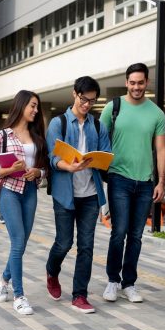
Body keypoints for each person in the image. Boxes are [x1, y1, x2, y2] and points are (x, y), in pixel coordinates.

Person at [100, 63, 165, 303]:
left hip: (145, 183)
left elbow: (161, 149)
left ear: (146, 82)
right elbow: (99, 138)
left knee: (136, 235)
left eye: (141, 82)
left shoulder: (156, 113)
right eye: (132, 82)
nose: (136, 87)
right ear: (126, 82)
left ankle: (129, 283)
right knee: (118, 232)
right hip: (119, 178)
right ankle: (112, 280)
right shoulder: (113, 107)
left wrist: (161, 181)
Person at [45, 76, 111, 313]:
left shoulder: (97, 125)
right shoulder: (58, 123)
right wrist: (68, 166)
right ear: (75, 94)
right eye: (84, 99)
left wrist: (100, 160)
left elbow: (107, 154)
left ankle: (79, 295)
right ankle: (52, 271)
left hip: (90, 195)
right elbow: (52, 159)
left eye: (92, 101)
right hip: (65, 194)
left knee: (86, 246)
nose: (87, 105)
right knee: (64, 243)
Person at [0, 90, 48, 315]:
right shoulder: (2, 136)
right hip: (9, 192)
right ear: (21, 105)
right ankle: (19, 296)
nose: (35, 110)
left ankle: (4, 277)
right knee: (17, 241)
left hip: (30, 193)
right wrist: (10, 169)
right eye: (32, 105)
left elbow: (45, 169)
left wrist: (38, 172)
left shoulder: (37, 137)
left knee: (22, 244)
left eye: (37, 107)